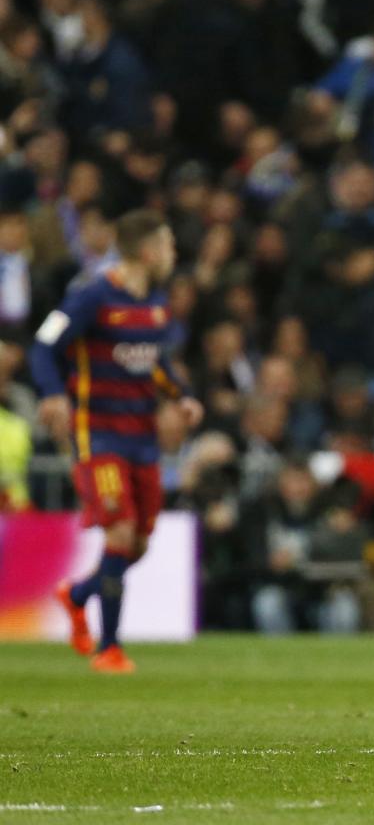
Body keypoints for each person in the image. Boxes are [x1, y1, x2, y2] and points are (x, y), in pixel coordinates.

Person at [36, 210, 202, 673]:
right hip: (99, 436)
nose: (174, 254)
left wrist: (182, 396)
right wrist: (53, 394)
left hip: (142, 437)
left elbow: (156, 362)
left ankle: (78, 594)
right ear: (148, 252)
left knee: (139, 545)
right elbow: (44, 346)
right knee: (120, 532)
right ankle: (109, 648)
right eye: (168, 245)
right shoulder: (92, 296)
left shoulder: (156, 304)